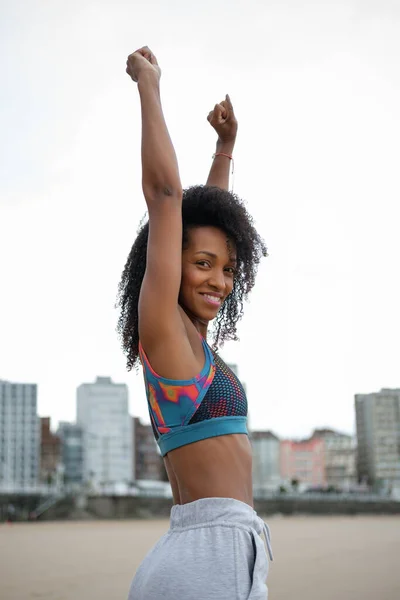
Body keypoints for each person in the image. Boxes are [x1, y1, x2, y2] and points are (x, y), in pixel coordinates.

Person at [118, 46, 273, 600]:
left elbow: (205, 223)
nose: (218, 280)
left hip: (215, 552)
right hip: (208, 559)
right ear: (167, 265)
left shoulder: (195, 344)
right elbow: (167, 199)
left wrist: (224, 150)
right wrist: (149, 86)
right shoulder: (164, 332)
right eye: (202, 266)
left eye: (229, 270)